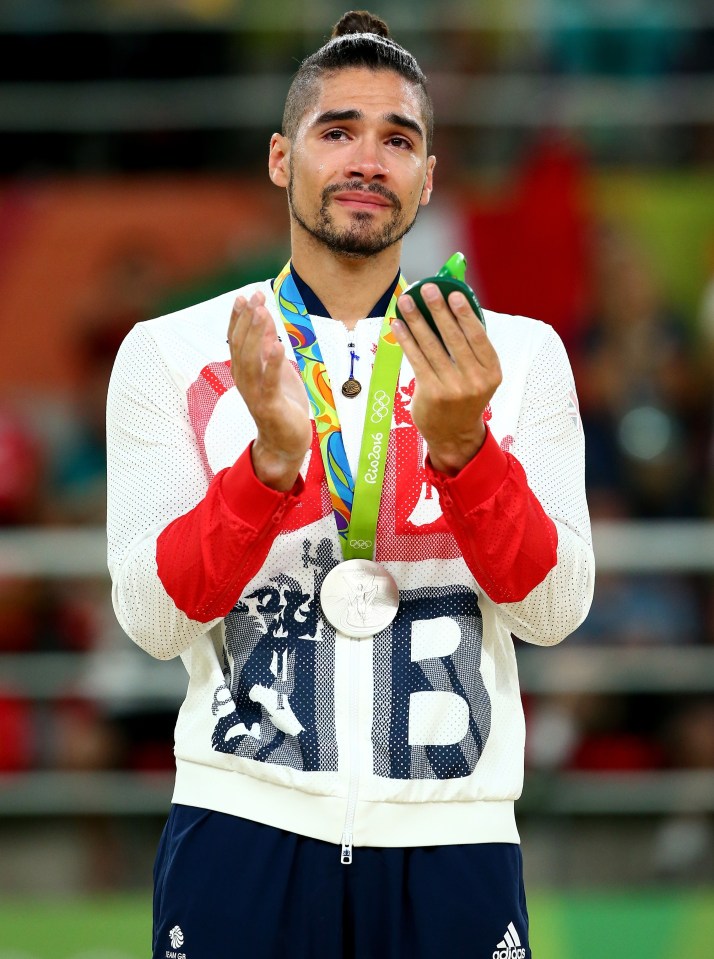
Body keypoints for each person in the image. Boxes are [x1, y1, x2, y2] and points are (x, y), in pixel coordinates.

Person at [107, 11, 594, 959]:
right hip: (241, 821)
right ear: (283, 159)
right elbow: (151, 620)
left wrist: (467, 456)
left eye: (397, 139)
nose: (368, 159)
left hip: (454, 832)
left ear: (428, 177)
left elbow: (556, 609)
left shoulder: (521, 355)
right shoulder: (173, 352)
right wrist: (266, 470)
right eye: (338, 131)